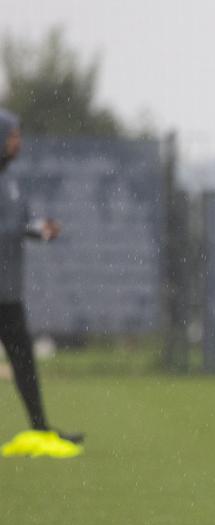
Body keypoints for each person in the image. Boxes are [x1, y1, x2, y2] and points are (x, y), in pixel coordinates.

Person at [0, 108, 82, 459]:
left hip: (7, 291)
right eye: (12, 135)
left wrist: (40, 229)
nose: (18, 141)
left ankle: (40, 428)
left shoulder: (11, 180)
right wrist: (22, 229)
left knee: (23, 360)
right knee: (23, 358)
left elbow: (20, 223)